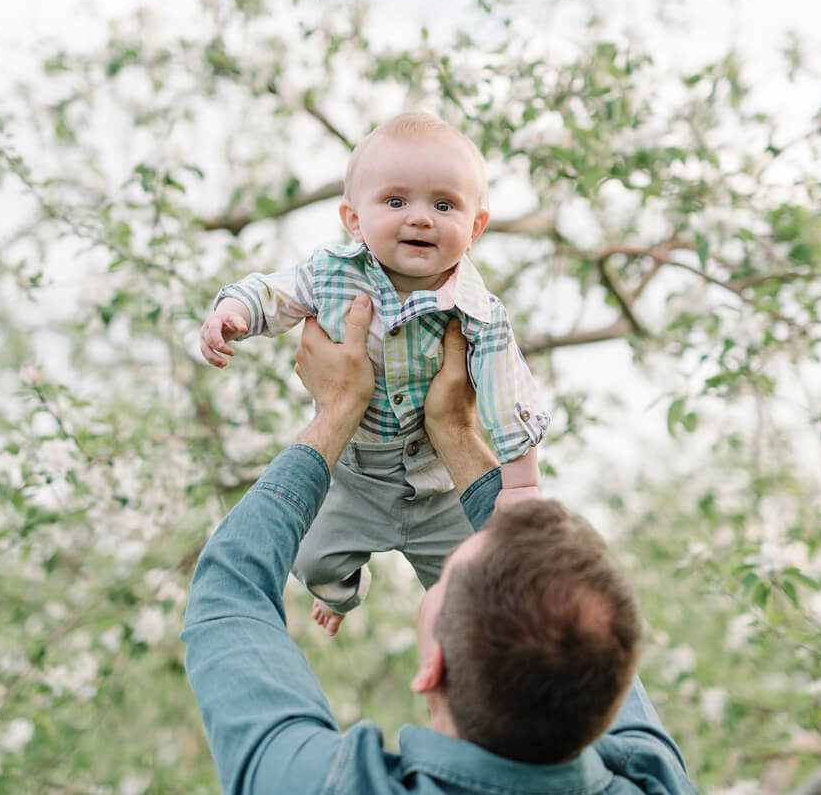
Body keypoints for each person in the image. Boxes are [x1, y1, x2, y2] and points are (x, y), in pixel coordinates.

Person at [182, 294, 700, 795]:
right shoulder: (651, 779)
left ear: (434, 668)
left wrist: (339, 408)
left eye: (448, 576)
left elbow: (230, 593)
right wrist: (453, 430)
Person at [198, 111, 549, 634]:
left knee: (478, 586)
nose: (421, 218)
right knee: (313, 561)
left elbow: (507, 395)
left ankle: (461, 631)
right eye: (396, 201)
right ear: (354, 220)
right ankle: (344, 592)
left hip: (439, 484)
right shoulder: (333, 275)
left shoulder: (479, 312)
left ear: (475, 227)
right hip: (355, 475)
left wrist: (520, 488)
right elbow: (278, 290)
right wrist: (237, 312)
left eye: (444, 204)